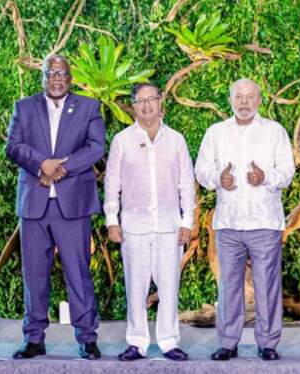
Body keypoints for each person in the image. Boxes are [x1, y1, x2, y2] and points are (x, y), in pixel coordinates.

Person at [5, 54, 106, 360]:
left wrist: (62, 167)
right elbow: (13, 146)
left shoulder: (89, 107)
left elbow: (96, 147)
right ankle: (34, 338)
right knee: (34, 274)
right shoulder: (23, 107)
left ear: (71, 78)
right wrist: (41, 165)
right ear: (43, 77)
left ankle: (87, 337)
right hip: (34, 204)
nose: (56, 78)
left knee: (78, 273)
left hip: (72, 204)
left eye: (62, 73)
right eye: (51, 73)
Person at [195, 78, 294, 361]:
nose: (244, 102)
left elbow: (287, 171)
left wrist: (266, 178)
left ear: (260, 100)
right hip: (229, 223)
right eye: (239, 96)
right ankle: (228, 341)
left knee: (267, 286)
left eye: (250, 97)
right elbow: (201, 169)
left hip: (265, 222)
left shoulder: (274, 132)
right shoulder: (216, 133)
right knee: (228, 287)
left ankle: (268, 342)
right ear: (230, 99)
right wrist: (218, 178)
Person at [104, 82, 195, 361]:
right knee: (136, 286)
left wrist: (187, 221)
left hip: (169, 225)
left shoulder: (176, 140)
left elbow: (186, 184)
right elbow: (112, 183)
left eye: (151, 99)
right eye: (140, 101)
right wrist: (112, 219)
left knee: (169, 286)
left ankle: (169, 341)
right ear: (133, 105)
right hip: (134, 225)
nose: (146, 105)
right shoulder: (122, 140)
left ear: (160, 102)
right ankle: (137, 342)